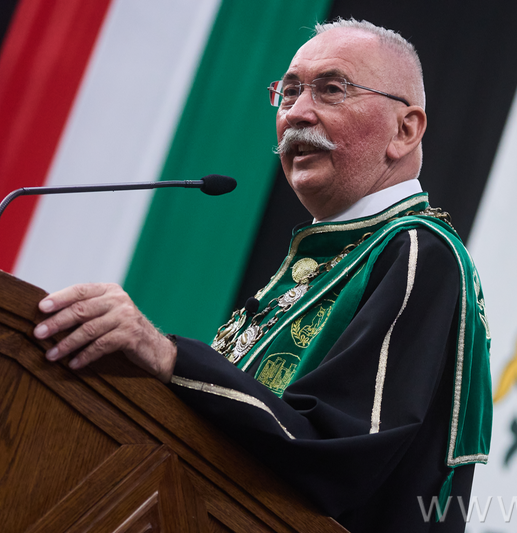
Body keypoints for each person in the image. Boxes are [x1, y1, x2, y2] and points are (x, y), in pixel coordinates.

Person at [33, 19, 491, 532]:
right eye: (289, 92)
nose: (296, 113)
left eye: (331, 89)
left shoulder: (417, 252)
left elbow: (336, 454)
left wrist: (168, 357)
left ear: (404, 130)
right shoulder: (331, 255)